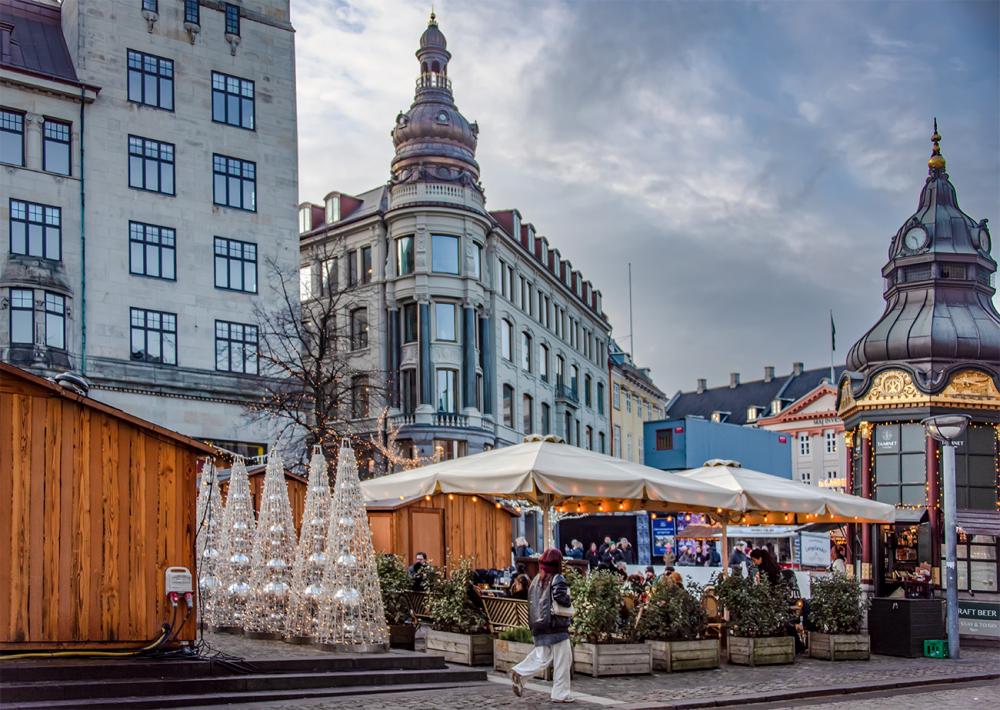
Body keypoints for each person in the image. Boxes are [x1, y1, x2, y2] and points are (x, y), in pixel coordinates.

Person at [511, 548, 573, 703]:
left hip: (540, 625)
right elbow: (560, 596)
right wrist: (569, 599)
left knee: (541, 658)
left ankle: (520, 672)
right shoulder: (557, 577)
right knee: (563, 660)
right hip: (556, 626)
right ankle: (560, 694)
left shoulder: (537, 579)